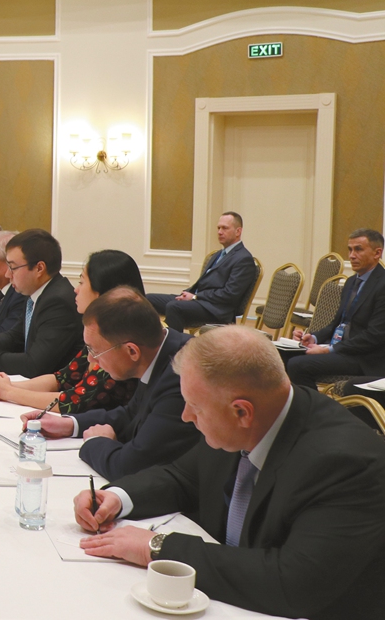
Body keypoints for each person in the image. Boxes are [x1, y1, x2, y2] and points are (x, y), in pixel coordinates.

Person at [74, 326, 385, 620]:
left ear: (241, 412)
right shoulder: (249, 418)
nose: (186, 416)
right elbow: (183, 477)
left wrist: (157, 547)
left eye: (194, 407)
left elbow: (293, 581)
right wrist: (116, 497)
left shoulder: (345, 462)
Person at [28, 288, 197, 480]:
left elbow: (130, 466)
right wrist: (69, 424)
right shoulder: (159, 350)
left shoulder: (180, 375)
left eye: (95, 351)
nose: (91, 360)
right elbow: (131, 415)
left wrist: (96, 441)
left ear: (132, 351)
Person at [0, 250, 142, 414]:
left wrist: (10, 392)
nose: (76, 290)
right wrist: (6, 385)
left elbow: (75, 401)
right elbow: (62, 378)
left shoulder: (119, 341)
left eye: (81, 282)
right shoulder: (100, 331)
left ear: (103, 293)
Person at [0, 229, 83, 378]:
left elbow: (34, 364)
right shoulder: (37, 294)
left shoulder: (58, 302)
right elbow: (13, 337)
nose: (7, 274)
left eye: (13, 267)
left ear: (39, 268)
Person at [287, 229, 385, 389]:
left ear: (377, 253)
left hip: (365, 358)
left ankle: (314, 411)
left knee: (298, 365)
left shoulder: (382, 285)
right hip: (342, 348)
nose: (352, 255)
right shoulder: (351, 282)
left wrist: (329, 350)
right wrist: (314, 338)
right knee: (282, 355)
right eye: (350, 249)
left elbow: (374, 336)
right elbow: (337, 323)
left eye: (358, 249)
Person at [147, 212, 256, 331]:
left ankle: (176, 346)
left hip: (217, 310)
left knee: (174, 306)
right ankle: (149, 342)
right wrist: (188, 294)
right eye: (218, 228)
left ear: (238, 231)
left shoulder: (243, 259)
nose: (219, 232)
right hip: (200, 301)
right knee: (148, 299)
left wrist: (195, 297)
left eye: (225, 228)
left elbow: (229, 295)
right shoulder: (218, 254)